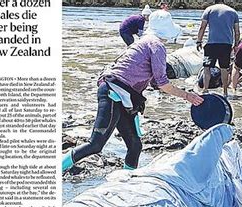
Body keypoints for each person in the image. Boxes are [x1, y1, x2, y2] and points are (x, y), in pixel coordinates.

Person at [62, 11, 204, 173]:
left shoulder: (144, 41)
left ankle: (127, 181)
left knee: (135, 145)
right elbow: (163, 84)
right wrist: (188, 96)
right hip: (113, 92)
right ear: (167, 32)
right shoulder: (157, 45)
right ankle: (58, 168)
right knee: (96, 144)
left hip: (121, 94)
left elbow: (153, 80)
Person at [196, 0, 240, 96]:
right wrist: (236, 45)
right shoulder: (233, 12)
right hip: (226, 45)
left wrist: (199, 41)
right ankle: (225, 91)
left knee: (207, 67)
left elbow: (202, 27)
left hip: (212, 44)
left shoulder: (209, 10)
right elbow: (237, 31)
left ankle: (205, 89)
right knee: (224, 68)